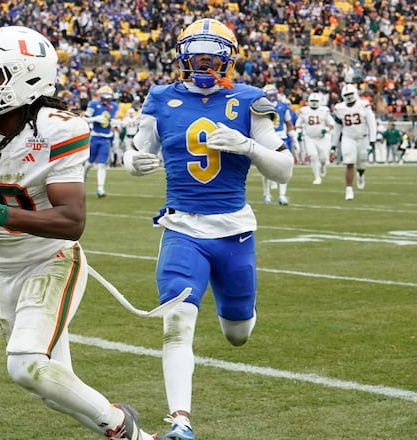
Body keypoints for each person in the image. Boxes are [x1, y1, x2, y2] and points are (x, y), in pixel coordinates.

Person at [0, 26, 156, 440]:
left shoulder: (58, 130)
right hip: (4, 268)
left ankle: (122, 426)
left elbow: (71, 220)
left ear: (26, 76)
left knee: (25, 364)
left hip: (52, 260)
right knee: (50, 386)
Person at [123, 18, 293, 440]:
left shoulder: (251, 100)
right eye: (197, 54)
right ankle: (181, 423)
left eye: (212, 56)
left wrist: (248, 146)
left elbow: (285, 169)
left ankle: (237, 307)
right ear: (182, 56)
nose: (203, 63)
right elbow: (137, 151)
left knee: (238, 332)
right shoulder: (161, 98)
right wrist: (133, 163)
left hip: (234, 231)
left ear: (227, 58)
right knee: (177, 325)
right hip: (181, 226)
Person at [331, 84, 376, 200]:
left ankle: (360, 174)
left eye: (351, 94)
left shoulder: (364, 105)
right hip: (348, 137)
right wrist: (333, 145)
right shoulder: (339, 108)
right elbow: (337, 128)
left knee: (361, 163)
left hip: (363, 137)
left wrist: (372, 140)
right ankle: (349, 189)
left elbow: (371, 123)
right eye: (346, 95)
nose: (349, 97)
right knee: (349, 162)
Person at [83, 85, 118, 198]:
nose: (107, 100)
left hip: (106, 138)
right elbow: (84, 119)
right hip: (95, 136)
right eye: (105, 97)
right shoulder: (93, 104)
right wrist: (95, 118)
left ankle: (100, 189)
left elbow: (113, 120)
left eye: (109, 98)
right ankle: (82, 180)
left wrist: (115, 123)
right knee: (89, 163)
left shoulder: (114, 106)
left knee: (102, 165)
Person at [260, 83, 292, 205]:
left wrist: (292, 135)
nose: (272, 96)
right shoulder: (260, 107)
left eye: (273, 93)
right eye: (270, 94)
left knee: (284, 166)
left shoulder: (283, 106)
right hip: (266, 138)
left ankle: (282, 195)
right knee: (267, 168)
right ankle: (267, 194)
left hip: (281, 137)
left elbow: (288, 122)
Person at [295, 92, 334, 184]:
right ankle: (317, 177)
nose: (314, 102)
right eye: (312, 101)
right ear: (308, 101)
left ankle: (323, 166)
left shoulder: (324, 110)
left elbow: (331, 123)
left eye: (316, 101)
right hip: (309, 137)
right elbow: (298, 124)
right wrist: (299, 133)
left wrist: (327, 129)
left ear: (319, 101)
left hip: (322, 138)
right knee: (313, 156)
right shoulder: (304, 111)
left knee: (323, 158)